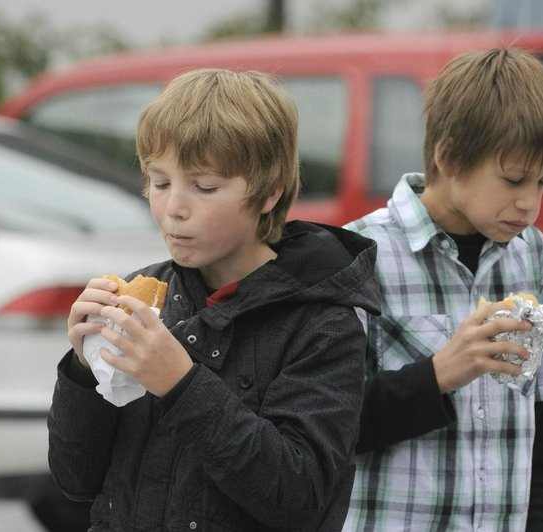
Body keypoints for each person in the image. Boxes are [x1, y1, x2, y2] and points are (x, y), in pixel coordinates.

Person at [47, 68, 379, 531]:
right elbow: (75, 480)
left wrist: (180, 382)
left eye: (203, 187)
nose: (174, 207)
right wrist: (83, 372)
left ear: (269, 193)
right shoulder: (142, 293)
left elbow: (299, 498)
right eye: (159, 183)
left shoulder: (324, 322)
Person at [343, 48, 543, 531]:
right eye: (514, 179)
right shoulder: (360, 256)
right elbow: (325, 432)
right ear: (449, 157)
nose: (529, 203)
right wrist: (437, 375)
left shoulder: (534, 256)